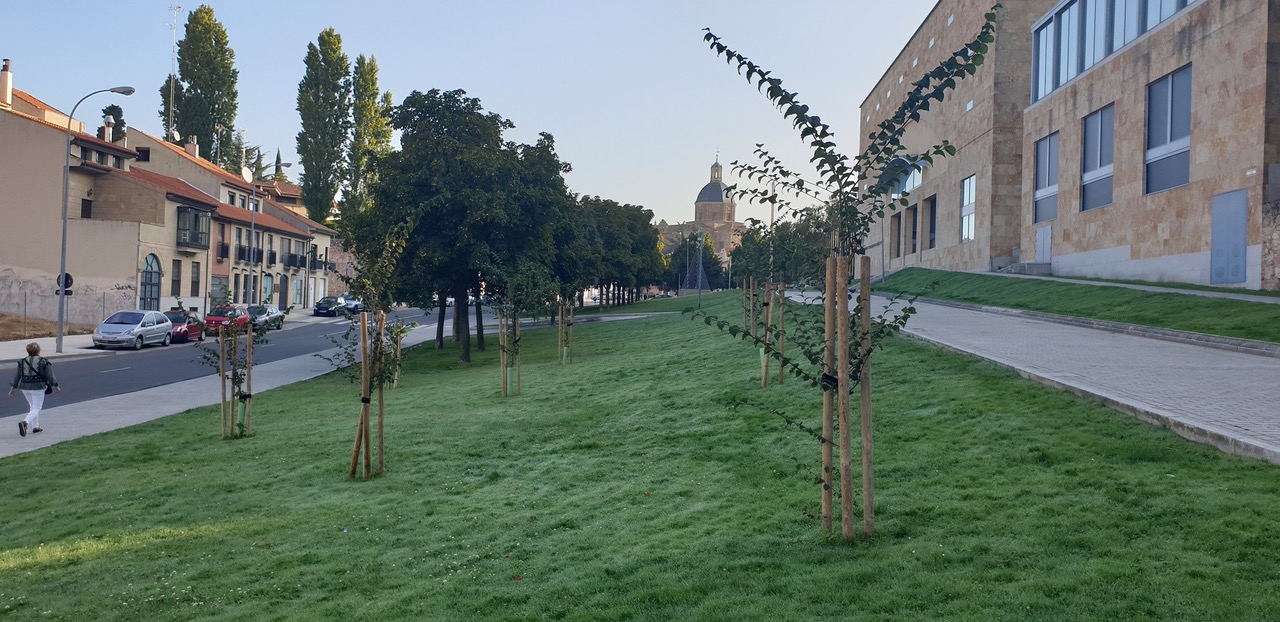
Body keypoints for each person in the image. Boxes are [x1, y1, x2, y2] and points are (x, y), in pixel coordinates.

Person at [8, 342, 60, 437]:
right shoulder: (43, 361)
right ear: (38, 350)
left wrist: (13, 388)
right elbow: (50, 375)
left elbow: (17, 376)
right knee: (37, 408)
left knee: (32, 406)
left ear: (27, 351)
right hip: (38, 386)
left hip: (24, 386)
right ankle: (25, 422)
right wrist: (55, 385)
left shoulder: (22, 362)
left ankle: (36, 427)